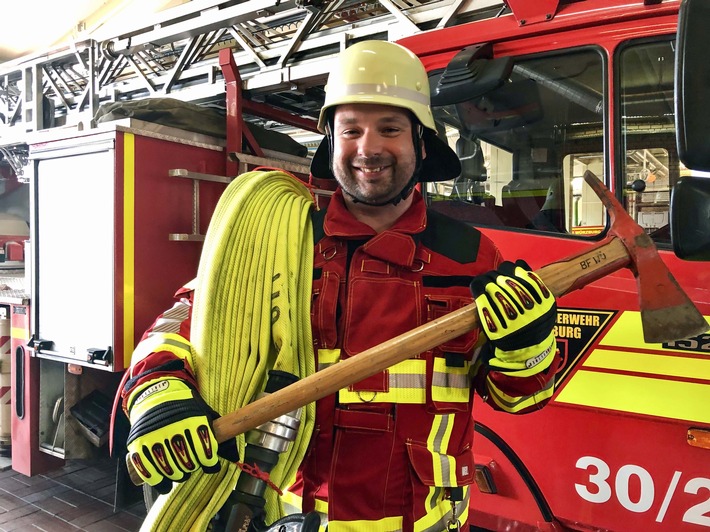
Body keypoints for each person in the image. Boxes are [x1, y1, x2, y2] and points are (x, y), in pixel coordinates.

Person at [113, 40, 562, 531]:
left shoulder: (471, 256)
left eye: (389, 129)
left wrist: (528, 346)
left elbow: (518, 399)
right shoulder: (280, 242)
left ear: (420, 141)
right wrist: (160, 393)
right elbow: (179, 321)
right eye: (352, 130)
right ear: (332, 142)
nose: (369, 148)